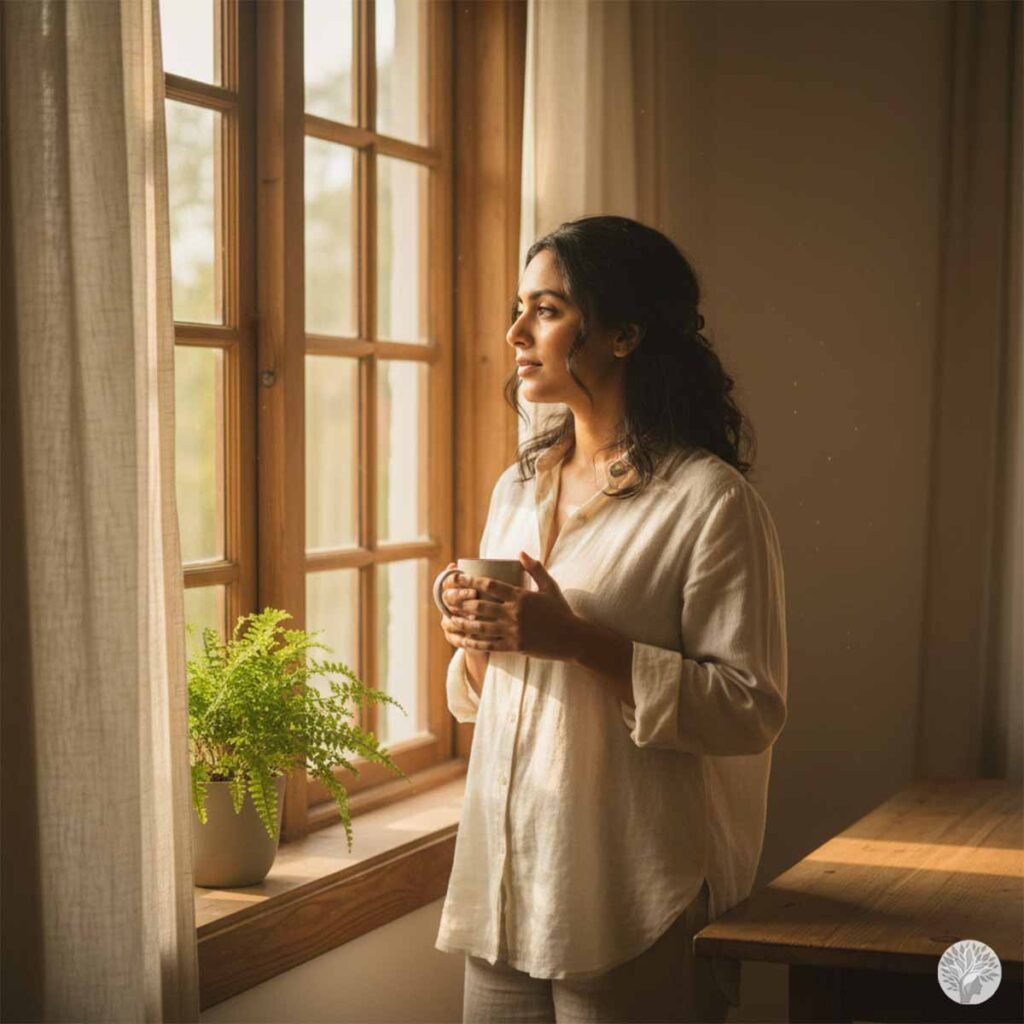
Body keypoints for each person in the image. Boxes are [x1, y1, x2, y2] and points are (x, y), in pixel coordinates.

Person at [433, 215, 788, 1023]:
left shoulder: (710, 503)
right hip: (509, 875)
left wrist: (578, 641)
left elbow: (750, 707)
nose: (517, 330)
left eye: (548, 309)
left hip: (632, 890)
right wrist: (478, 636)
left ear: (624, 333)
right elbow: (496, 697)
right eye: (520, 307)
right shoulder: (517, 488)